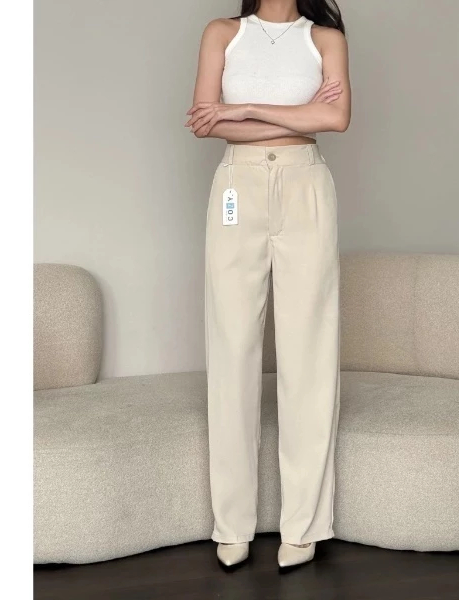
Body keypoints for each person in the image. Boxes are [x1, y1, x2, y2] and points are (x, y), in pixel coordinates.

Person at [186, 0, 350, 569]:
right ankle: (231, 523)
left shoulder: (324, 38)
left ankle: (303, 526)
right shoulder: (222, 33)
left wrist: (246, 108)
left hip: (306, 185)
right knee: (232, 347)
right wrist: (299, 114)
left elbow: (337, 119)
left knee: (309, 350)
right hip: (238, 185)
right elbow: (205, 121)